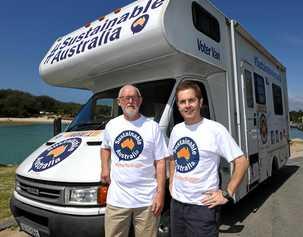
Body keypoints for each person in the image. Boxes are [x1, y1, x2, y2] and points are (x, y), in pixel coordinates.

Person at [168, 81, 249, 237]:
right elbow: (172, 158)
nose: (187, 105)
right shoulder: (176, 130)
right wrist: (172, 182)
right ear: (178, 105)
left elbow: (241, 161)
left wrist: (227, 192)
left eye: (191, 100)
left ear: (200, 102)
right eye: (182, 102)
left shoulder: (215, 130)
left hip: (203, 208)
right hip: (177, 206)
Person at [100, 84, 169, 237]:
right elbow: (105, 148)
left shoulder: (152, 127)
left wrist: (160, 194)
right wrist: (105, 167)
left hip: (147, 201)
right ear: (119, 102)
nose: (130, 101)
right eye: (126, 98)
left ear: (140, 100)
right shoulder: (111, 125)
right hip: (117, 199)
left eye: (134, 97)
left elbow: (161, 162)